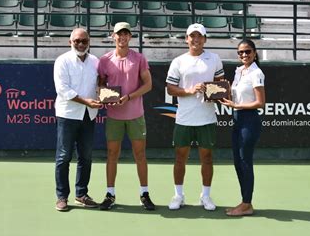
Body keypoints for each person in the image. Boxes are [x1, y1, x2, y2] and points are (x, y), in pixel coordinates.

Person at [165, 23, 224, 211]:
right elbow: (170, 88)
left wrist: (212, 90)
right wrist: (190, 90)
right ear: (186, 39)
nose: (196, 39)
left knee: (207, 158)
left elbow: (221, 85)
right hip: (184, 118)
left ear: (205, 39)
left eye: (199, 36)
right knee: (180, 158)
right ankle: (178, 195)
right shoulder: (178, 61)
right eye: (192, 36)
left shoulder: (214, 59)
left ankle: (205, 196)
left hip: (207, 118)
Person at [97, 22, 155, 211]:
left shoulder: (139, 58)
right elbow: (101, 85)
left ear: (130, 37)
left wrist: (129, 97)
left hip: (135, 115)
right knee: (112, 154)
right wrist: (105, 95)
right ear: (113, 36)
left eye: (126, 34)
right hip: (114, 116)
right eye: (119, 34)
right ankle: (110, 193)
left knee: (140, 154)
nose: (122, 37)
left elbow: (148, 85)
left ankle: (144, 193)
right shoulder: (104, 60)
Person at [53, 28, 103, 212]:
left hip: (88, 115)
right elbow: (63, 90)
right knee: (63, 156)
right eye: (77, 41)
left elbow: (100, 83)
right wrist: (86, 101)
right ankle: (62, 197)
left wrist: (103, 94)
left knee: (86, 156)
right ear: (70, 42)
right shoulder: (62, 61)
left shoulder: (96, 62)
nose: (81, 44)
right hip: (67, 115)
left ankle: (81, 194)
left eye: (84, 41)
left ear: (89, 42)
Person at [220, 39, 265, 216]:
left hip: (250, 121)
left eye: (247, 51)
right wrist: (222, 90)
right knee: (238, 162)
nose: (244, 55)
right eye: (241, 52)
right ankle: (244, 202)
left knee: (245, 162)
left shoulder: (256, 73)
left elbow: (260, 103)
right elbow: (235, 97)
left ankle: (247, 204)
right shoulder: (239, 71)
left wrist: (237, 106)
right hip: (238, 120)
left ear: (254, 53)